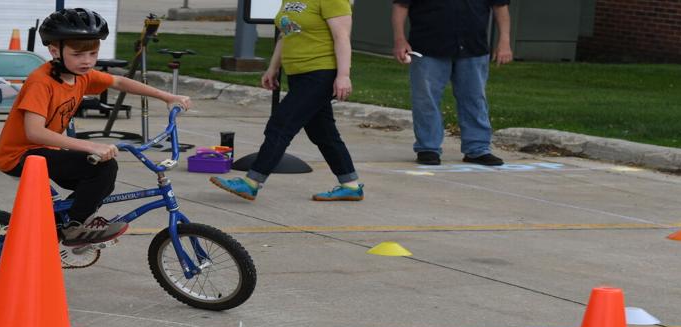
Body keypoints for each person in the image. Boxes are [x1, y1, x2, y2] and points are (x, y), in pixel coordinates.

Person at [0, 8, 192, 247]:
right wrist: (91, 146)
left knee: (100, 180)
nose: (87, 60)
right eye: (78, 54)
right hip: (19, 156)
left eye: (93, 53)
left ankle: (59, 225)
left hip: (45, 150)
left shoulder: (81, 76)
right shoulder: (42, 82)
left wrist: (166, 96)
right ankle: (73, 229)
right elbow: (34, 132)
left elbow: (119, 81)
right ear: (55, 51)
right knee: (101, 169)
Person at [210, 1, 364, 203]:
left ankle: (252, 182)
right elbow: (286, 34)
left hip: (320, 73)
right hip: (298, 74)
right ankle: (350, 185)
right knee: (323, 133)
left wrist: (343, 75)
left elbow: (342, 37)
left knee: (280, 125)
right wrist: (273, 68)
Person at [391, 0, 512, 166]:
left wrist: (504, 41)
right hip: (427, 46)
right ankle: (428, 148)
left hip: (473, 47)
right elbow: (401, 5)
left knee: (475, 98)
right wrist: (400, 39)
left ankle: (477, 149)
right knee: (426, 100)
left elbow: (500, 6)